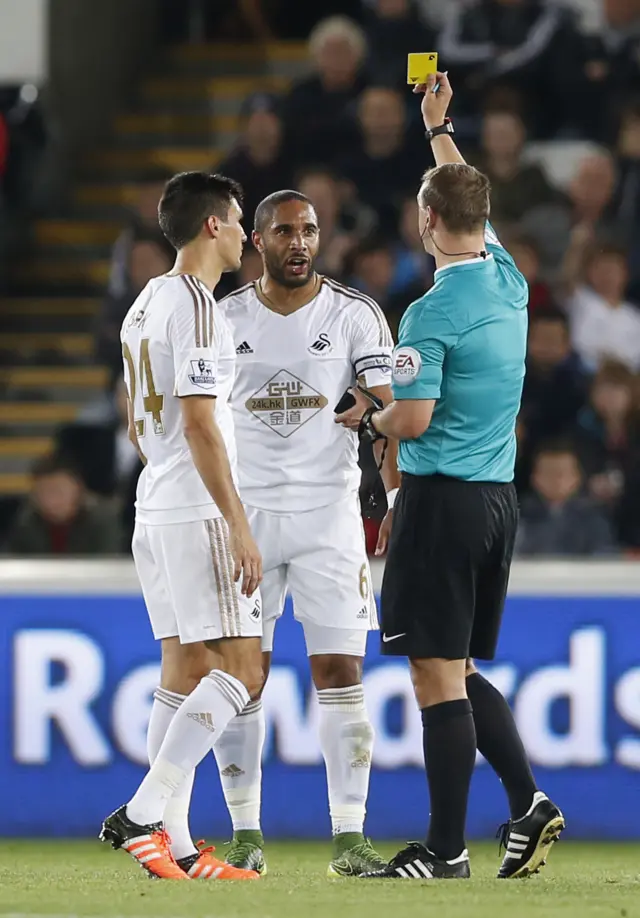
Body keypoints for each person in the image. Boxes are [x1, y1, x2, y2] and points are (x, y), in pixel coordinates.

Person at [335, 72, 563, 881]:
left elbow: (414, 421)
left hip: (442, 502)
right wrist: (440, 129)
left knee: (436, 675)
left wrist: (366, 414)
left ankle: (445, 850)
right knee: (460, 668)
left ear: (426, 222)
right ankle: (529, 803)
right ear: (479, 219)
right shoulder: (509, 280)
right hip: (497, 501)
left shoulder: (427, 313)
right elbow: (473, 205)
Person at [213, 190, 399, 877]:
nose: (300, 241)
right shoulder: (224, 317)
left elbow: (392, 410)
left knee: (341, 671)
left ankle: (349, 838)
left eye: (310, 230)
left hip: (330, 519)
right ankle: (245, 836)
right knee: (243, 678)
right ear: (257, 240)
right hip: (247, 520)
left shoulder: (354, 313)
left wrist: (396, 496)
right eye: (286, 230)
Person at [99, 172, 264, 882]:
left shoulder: (145, 302)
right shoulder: (198, 306)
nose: (243, 235)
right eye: (236, 222)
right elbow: (199, 424)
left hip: (155, 498)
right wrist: (238, 524)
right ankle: (142, 812)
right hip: (196, 507)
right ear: (211, 228)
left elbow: (142, 419)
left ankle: (180, 847)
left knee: (184, 668)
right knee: (242, 669)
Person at [4, 454, 122, 555]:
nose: (51, 500)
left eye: (58, 491)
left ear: (78, 490)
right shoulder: (26, 522)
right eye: (43, 492)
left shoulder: (103, 520)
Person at [516, 441, 615, 556]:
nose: (556, 479)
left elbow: (605, 559)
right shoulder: (519, 516)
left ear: (577, 477)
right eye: (549, 472)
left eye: (562, 473)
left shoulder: (594, 518)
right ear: (534, 478)